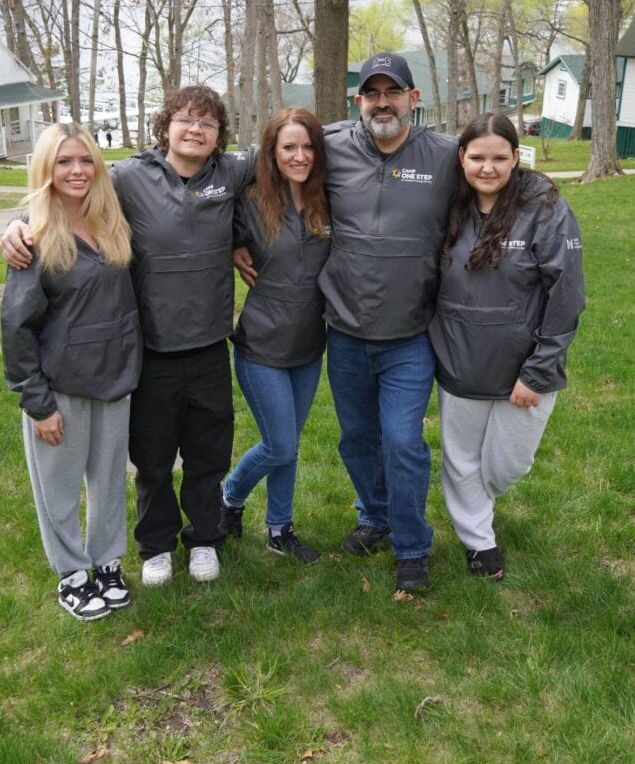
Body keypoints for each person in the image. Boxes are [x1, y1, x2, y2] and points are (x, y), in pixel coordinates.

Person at [1, 88, 254, 586]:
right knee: (152, 456)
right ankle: (155, 544)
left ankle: (204, 537)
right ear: (166, 126)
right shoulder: (129, 178)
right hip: (151, 351)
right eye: (185, 119)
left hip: (208, 347)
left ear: (220, 135)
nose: (195, 130)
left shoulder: (230, 175)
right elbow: (68, 187)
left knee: (208, 453)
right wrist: (15, 223)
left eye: (207, 123)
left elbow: (300, 140)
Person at [235, 53, 457, 593]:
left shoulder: (446, 156)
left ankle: (412, 546)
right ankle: (375, 516)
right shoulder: (331, 147)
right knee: (357, 439)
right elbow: (235, 165)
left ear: (414, 98)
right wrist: (233, 242)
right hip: (347, 333)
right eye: (371, 93)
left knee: (403, 441)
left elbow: (503, 178)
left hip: (410, 332)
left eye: (394, 92)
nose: (383, 102)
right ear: (358, 101)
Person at [428, 113, 584, 578]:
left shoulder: (546, 209)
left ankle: (478, 504)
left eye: (500, 157)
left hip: (525, 366)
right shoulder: (449, 207)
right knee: (461, 462)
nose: (488, 167)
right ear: (462, 158)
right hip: (460, 358)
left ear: (517, 157)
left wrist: (538, 370)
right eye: (477, 157)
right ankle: (479, 543)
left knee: (506, 463)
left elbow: (567, 295)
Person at [1, 123, 142, 621]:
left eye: (85, 160)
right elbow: (17, 326)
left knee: (107, 480)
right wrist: (37, 402)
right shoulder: (33, 236)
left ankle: (106, 562)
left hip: (114, 378)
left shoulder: (113, 220)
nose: (77, 170)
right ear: (46, 169)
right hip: (59, 387)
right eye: (64, 162)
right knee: (58, 487)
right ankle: (72, 573)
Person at [220, 108, 331, 563]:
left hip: (309, 345)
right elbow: (199, 216)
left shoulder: (330, 197)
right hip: (262, 344)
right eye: (289, 147)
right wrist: (231, 245)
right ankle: (229, 496)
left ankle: (279, 528)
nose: (299, 156)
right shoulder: (248, 200)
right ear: (271, 151)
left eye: (307, 147)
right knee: (279, 443)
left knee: (290, 445)